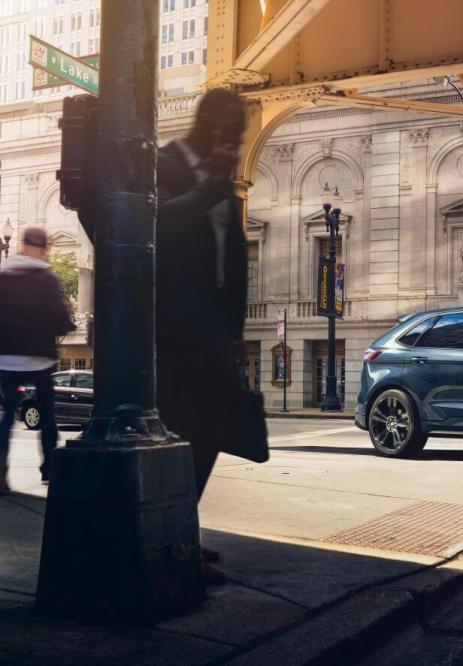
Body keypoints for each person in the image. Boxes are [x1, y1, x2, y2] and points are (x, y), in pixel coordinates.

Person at [156, 88, 248, 583]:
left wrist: (234, 330)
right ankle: (172, 544)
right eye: (232, 129)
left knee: (212, 429)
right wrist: (207, 192)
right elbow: (152, 226)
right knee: (176, 430)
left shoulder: (223, 180)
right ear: (210, 121)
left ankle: (183, 534)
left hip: (213, 322)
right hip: (172, 321)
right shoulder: (165, 163)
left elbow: (233, 257)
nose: (236, 140)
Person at [0, 227, 75, 494]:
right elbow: (61, 319)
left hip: (7, 358)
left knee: (7, 416)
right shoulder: (47, 279)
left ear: (21, 245)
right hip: (40, 358)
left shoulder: (4, 276)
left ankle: (0, 473)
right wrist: (64, 324)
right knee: (48, 417)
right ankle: (49, 471)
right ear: (44, 248)